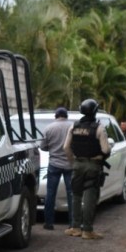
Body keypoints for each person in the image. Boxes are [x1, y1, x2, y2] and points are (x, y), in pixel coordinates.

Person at [63, 99, 110, 240]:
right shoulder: (99, 128)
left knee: (76, 195)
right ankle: (87, 230)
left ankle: (75, 227)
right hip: (92, 165)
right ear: (95, 111)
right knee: (89, 196)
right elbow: (105, 149)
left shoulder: (74, 126)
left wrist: (74, 162)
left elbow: (65, 148)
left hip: (77, 164)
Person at [39, 107, 74, 231]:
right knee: (72, 194)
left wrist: (53, 149)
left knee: (50, 193)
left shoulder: (49, 128)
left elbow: (43, 147)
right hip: (70, 164)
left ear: (56, 116)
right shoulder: (72, 127)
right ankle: (73, 223)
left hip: (54, 164)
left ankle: (49, 223)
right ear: (66, 116)